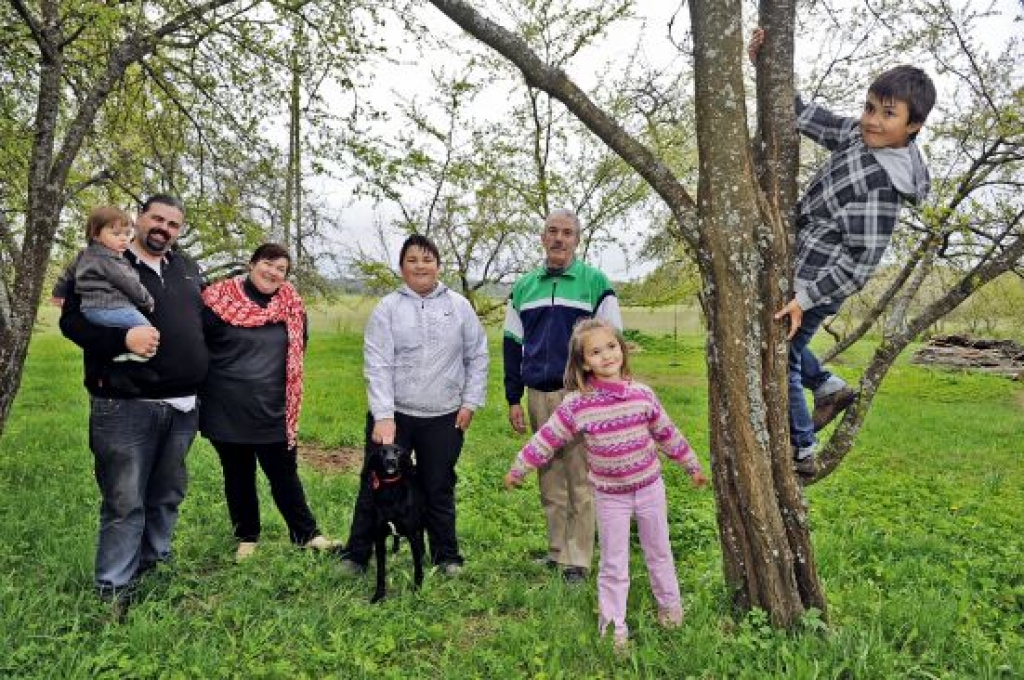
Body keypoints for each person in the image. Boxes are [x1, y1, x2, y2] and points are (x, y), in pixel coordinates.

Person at [749, 28, 936, 475]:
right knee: (781, 346)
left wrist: (806, 298)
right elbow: (806, 116)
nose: (872, 120)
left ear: (912, 126)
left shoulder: (882, 187)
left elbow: (860, 264)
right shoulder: (860, 137)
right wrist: (763, 70)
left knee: (784, 358)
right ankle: (829, 386)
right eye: (870, 108)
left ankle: (802, 450)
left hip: (820, 283)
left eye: (887, 114)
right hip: (801, 271)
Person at [505, 318, 707, 651]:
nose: (607, 355)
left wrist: (691, 465)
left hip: (649, 488)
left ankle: (670, 609)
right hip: (610, 496)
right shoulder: (577, 404)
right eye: (596, 352)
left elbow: (667, 433)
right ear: (584, 362)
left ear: (622, 350)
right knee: (614, 562)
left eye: (611, 347)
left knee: (659, 551)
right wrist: (520, 467)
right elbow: (548, 437)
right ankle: (613, 625)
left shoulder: (642, 395)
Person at [59, 194, 207, 610]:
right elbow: (71, 321)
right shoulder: (102, 258)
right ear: (139, 219)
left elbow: (205, 323)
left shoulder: (187, 267)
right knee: (125, 501)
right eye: (156, 218)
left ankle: (153, 569)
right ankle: (113, 590)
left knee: (167, 495)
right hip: (124, 403)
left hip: (182, 406)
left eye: (174, 224)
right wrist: (122, 339)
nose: (164, 228)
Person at [339, 234, 489, 576]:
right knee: (375, 483)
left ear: (438, 265)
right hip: (396, 417)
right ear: (402, 267)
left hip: (445, 416)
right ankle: (357, 555)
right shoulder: (388, 308)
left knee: (438, 484)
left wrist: (469, 402)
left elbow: (477, 355)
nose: (421, 266)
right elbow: (378, 363)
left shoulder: (459, 306)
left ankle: (446, 556)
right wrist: (384, 416)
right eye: (412, 260)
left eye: (428, 259)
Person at [503, 208, 622, 583]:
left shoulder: (595, 283)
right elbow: (511, 344)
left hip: (582, 395)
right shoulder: (524, 287)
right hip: (539, 393)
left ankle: (578, 559)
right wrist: (513, 396)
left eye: (567, 232)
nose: (558, 238)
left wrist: (605, 393)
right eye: (552, 231)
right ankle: (557, 551)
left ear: (576, 240)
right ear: (542, 237)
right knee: (549, 476)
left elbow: (612, 342)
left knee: (582, 478)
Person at [200, 243, 339, 561]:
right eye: (268, 263)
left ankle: (307, 535)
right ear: (252, 263)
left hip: (274, 408)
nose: (273, 272)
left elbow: (299, 348)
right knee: (238, 474)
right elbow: (197, 348)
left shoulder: (291, 305)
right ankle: (246, 537)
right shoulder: (217, 301)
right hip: (226, 407)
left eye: (281, 269)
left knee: (284, 474)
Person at [52, 206, 154, 362]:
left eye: (127, 234)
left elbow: (67, 276)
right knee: (146, 329)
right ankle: (129, 352)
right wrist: (147, 302)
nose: (124, 238)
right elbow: (129, 284)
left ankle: (124, 351)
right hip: (111, 308)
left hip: (90, 310)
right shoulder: (110, 261)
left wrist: (58, 294)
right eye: (116, 234)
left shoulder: (84, 254)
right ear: (96, 235)